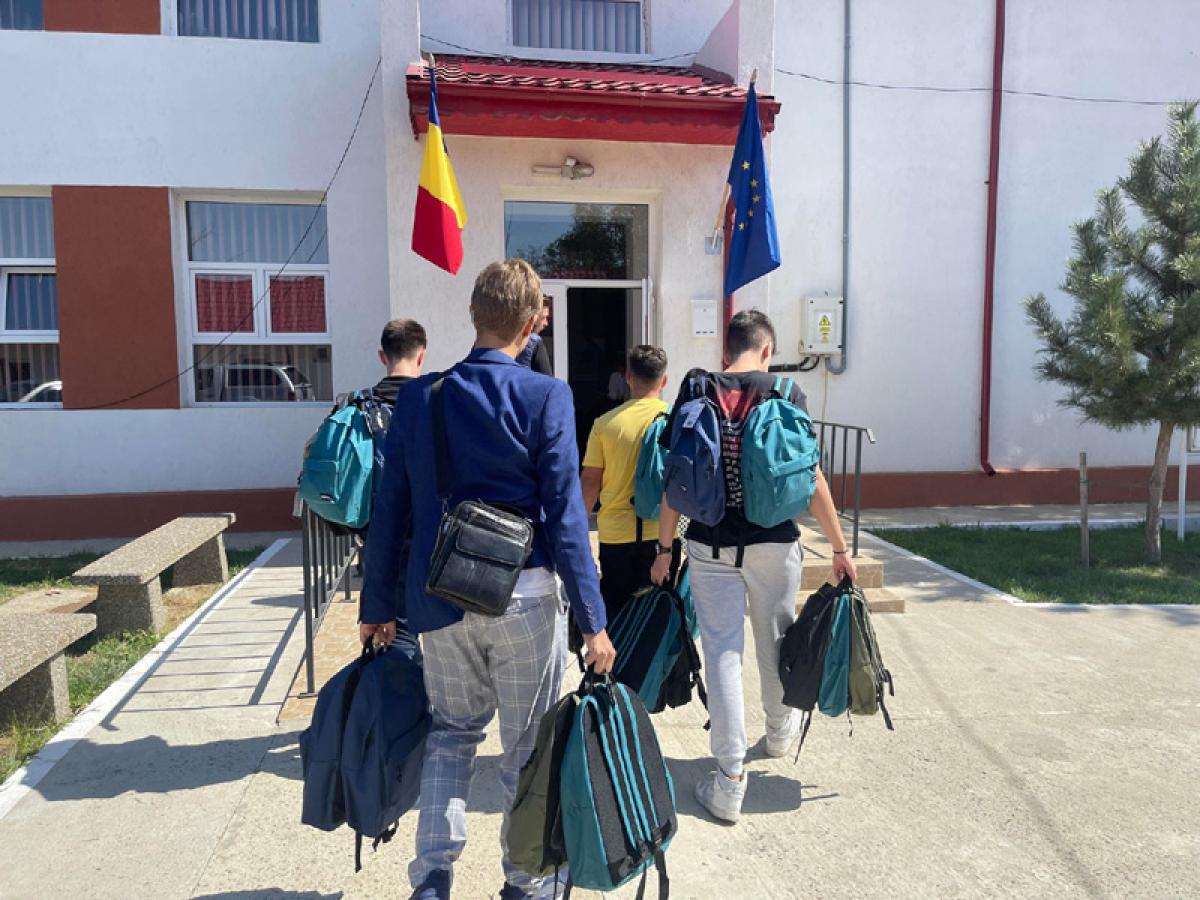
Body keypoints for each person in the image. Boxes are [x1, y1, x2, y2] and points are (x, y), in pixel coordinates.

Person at [360, 259, 615, 900]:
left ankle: (432, 878)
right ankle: (525, 881)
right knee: (526, 748)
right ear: (531, 325)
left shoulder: (421, 396)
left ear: (474, 316)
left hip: (439, 597)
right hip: (524, 597)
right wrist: (594, 621)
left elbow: (390, 509)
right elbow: (565, 515)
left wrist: (377, 605)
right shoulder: (547, 396)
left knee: (451, 733)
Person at [649, 309, 857, 824]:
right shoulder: (786, 392)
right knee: (775, 641)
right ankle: (779, 734)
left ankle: (729, 780)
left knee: (723, 652)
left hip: (709, 544)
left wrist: (664, 549)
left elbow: (674, 479)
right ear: (767, 349)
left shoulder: (696, 389)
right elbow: (811, 477)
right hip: (774, 543)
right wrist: (839, 548)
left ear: (727, 350)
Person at [581, 344, 675, 623]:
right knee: (659, 621)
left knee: (617, 619)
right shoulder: (676, 421)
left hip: (616, 536)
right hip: (663, 535)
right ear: (664, 380)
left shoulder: (605, 424)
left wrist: (577, 532)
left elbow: (590, 483)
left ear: (629, 378)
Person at [357, 319, 426, 642]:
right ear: (421, 355)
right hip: (429, 534)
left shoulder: (358, 405)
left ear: (382, 356)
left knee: (397, 637)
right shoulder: (433, 401)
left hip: (378, 534)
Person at [513, 293, 553, 375]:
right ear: (533, 318)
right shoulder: (535, 342)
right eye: (543, 317)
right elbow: (547, 379)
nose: (546, 323)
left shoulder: (503, 339)